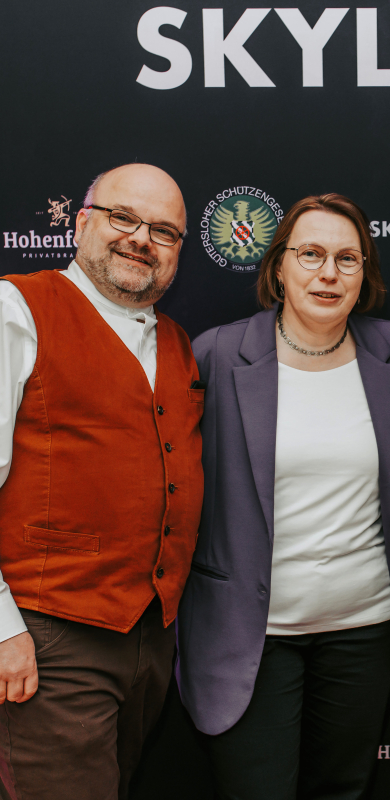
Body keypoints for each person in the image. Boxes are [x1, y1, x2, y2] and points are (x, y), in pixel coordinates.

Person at [176, 193, 390, 799]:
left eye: (347, 258)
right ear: (279, 267)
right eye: (311, 254)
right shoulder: (217, 354)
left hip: (364, 629)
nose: (328, 273)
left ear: (364, 274)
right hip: (252, 638)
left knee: (342, 789)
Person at [0, 163, 204, 800]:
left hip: (148, 639)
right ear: (82, 222)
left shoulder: (178, 343)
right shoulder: (16, 309)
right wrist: (2, 631)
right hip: (46, 634)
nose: (141, 239)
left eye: (163, 231)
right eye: (123, 218)